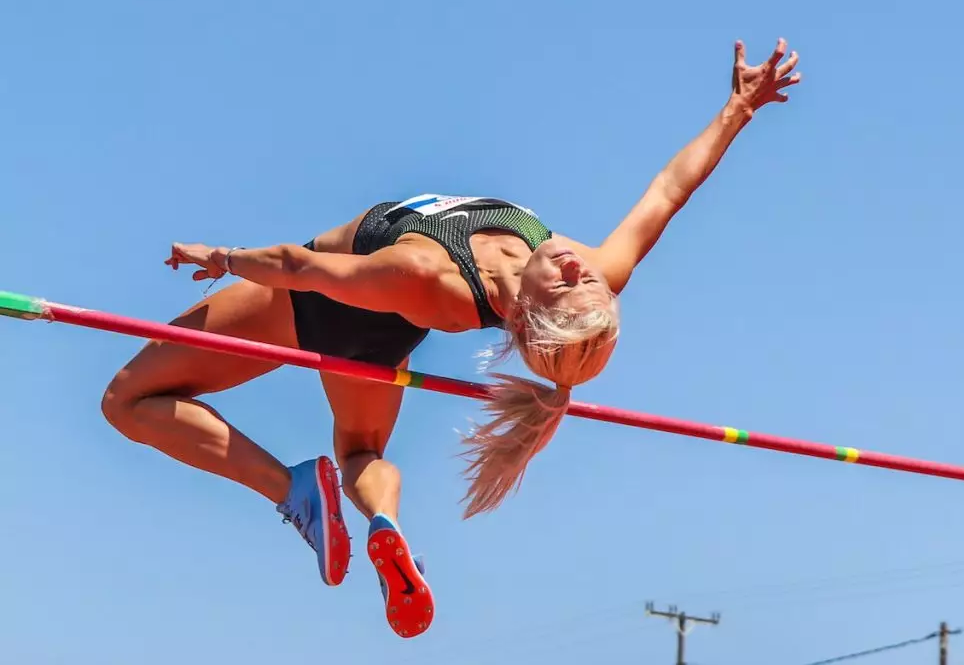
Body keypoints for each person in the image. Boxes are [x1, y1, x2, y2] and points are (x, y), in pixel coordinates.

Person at [100, 38, 800, 638]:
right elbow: (668, 193)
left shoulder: (426, 274)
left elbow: (300, 268)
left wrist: (219, 257)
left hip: (330, 301)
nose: (578, 267)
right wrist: (737, 110)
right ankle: (382, 525)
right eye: (589, 281)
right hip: (375, 324)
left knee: (129, 400)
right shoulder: (583, 272)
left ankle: (289, 487)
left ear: (527, 315)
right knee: (363, 452)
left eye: (567, 285)